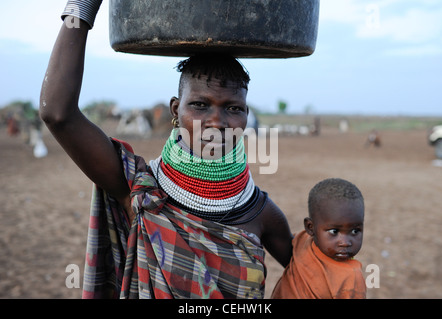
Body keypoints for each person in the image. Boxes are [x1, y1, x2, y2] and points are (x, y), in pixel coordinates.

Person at [39, 0, 293, 299]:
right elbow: (58, 113)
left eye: (233, 108)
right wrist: (83, 6)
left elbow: (313, 278)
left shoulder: (261, 213)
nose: (216, 121)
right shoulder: (141, 189)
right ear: (176, 109)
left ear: (246, 115)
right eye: (199, 105)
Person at [271, 178, 366, 299]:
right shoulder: (351, 279)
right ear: (310, 228)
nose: (345, 242)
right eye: (334, 231)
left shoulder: (301, 241)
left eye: (355, 231)